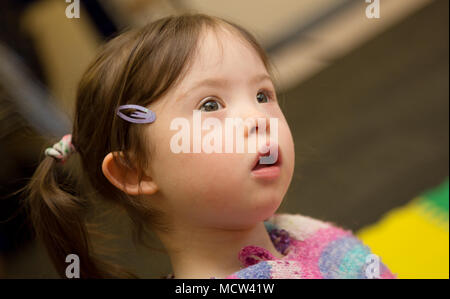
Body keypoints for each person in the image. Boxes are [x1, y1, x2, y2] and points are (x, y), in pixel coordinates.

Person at [23, 13, 395, 279]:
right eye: (210, 105)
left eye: (263, 94)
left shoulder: (310, 235)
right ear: (135, 170)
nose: (258, 118)